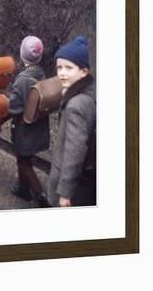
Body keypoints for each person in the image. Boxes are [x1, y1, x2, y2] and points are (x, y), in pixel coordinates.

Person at [48, 36, 96, 207]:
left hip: (71, 188)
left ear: (84, 71)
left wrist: (65, 193)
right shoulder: (88, 95)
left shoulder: (76, 104)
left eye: (69, 68)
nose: (62, 73)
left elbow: (74, 151)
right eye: (59, 67)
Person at [8, 36, 50, 207]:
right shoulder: (41, 73)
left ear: (22, 55)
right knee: (24, 159)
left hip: (24, 129)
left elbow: (14, 108)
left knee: (24, 163)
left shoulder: (22, 79)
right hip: (37, 126)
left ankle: (40, 196)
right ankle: (22, 189)